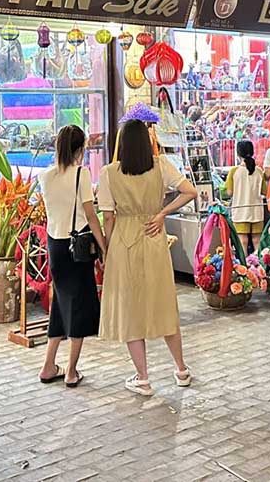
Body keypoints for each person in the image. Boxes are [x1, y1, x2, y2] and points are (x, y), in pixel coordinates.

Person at [98, 119, 197, 396]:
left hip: (122, 241)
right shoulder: (161, 165)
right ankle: (181, 369)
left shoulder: (109, 173)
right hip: (154, 238)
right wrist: (163, 212)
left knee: (131, 310)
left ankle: (142, 378)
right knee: (163, 303)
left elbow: (108, 216)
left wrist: (106, 250)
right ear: (146, 141)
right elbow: (190, 191)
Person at [37, 124, 106, 387]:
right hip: (78, 247)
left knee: (60, 304)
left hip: (55, 246)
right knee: (80, 307)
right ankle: (71, 371)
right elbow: (91, 215)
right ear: (79, 149)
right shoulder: (81, 174)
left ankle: (48, 365)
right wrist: (103, 248)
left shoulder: (46, 176)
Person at [224, 139, 265, 255]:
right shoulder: (259, 171)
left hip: (240, 211)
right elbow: (264, 191)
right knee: (257, 240)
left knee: (242, 241)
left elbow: (229, 192)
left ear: (238, 153)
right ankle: (259, 268)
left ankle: (245, 268)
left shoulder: (234, 171)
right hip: (257, 211)